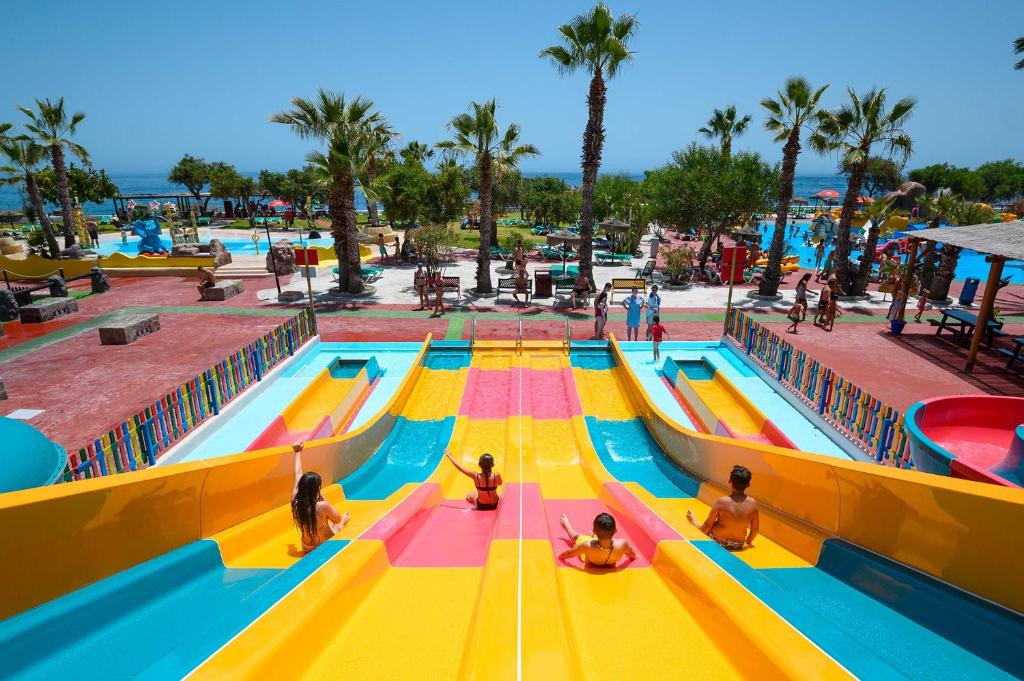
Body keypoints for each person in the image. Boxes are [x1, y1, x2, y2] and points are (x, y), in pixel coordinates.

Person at [292, 442, 350, 552]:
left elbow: (297, 474)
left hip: (306, 546)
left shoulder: (295, 502)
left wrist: (297, 452)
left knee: (321, 522)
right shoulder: (321, 505)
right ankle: (345, 521)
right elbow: (336, 519)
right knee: (337, 523)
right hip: (325, 545)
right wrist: (321, 496)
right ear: (317, 489)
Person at [686, 465, 759, 551]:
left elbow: (707, 527)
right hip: (738, 544)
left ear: (729, 481)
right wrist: (747, 542)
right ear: (748, 485)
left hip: (718, 540)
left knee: (704, 523)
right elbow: (755, 530)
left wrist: (695, 523)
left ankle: (694, 522)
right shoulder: (753, 504)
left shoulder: (722, 502)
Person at [558, 512, 637, 567]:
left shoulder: (586, 546)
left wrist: (559, 556)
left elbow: (569, 553)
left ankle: (566, 524)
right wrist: (634, 557)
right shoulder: (622, 544)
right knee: (606, 539)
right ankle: (600, 536)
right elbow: (632, 554)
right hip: (610, 551)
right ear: (615, 531)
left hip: (591, 553)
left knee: (576, 537)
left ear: (594, 531)